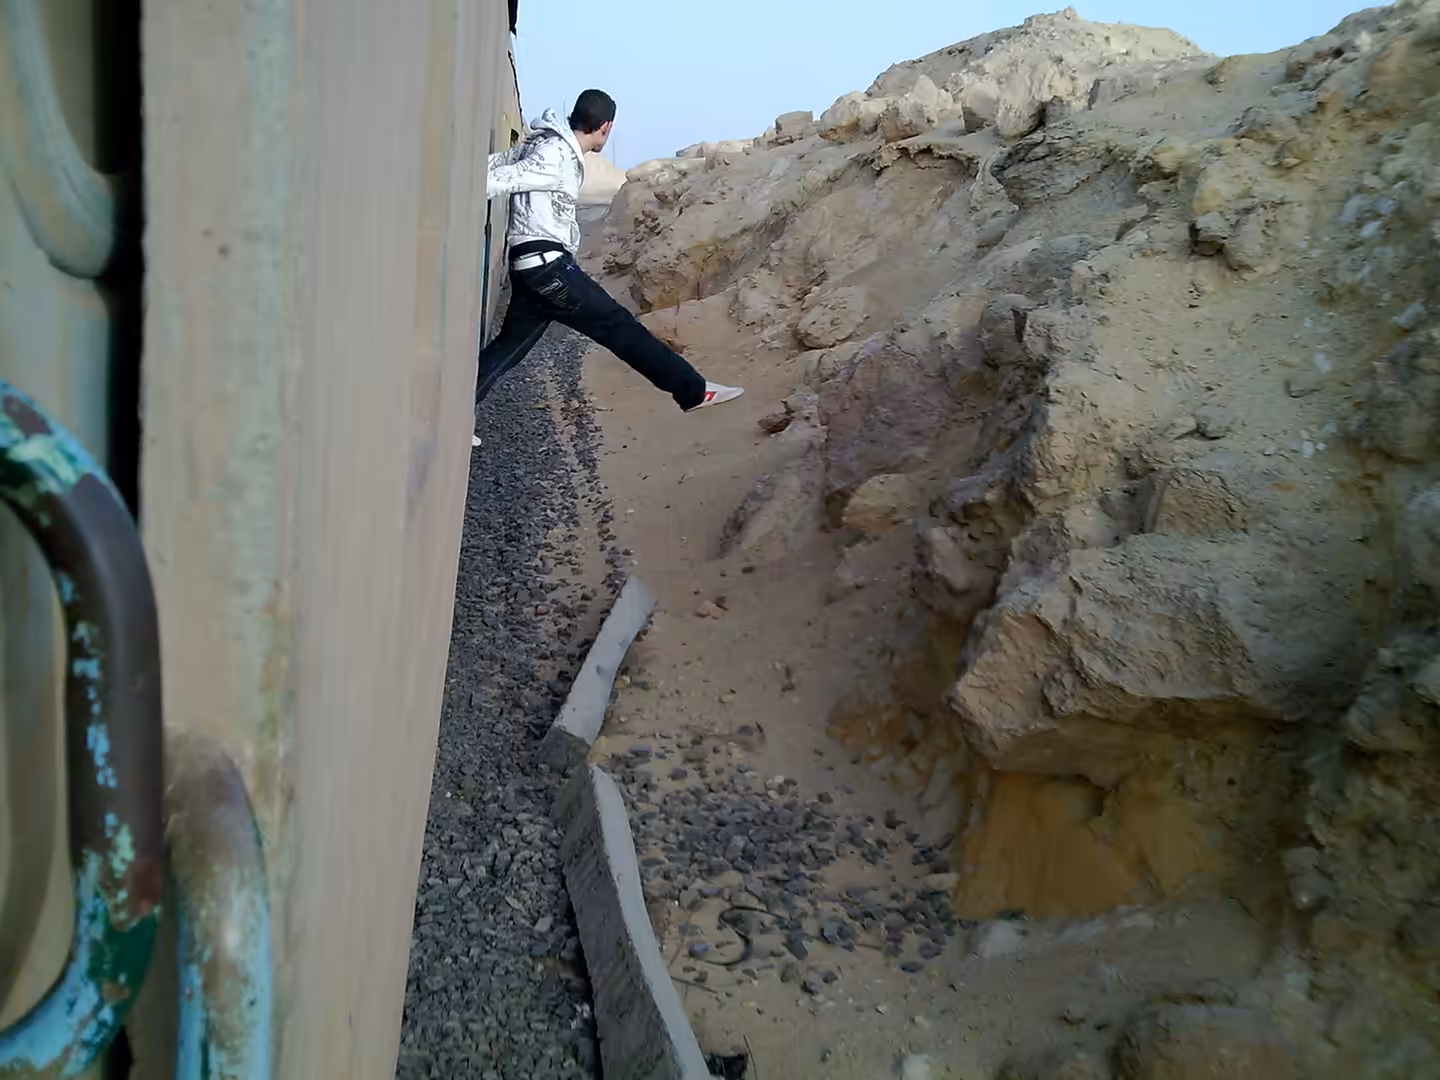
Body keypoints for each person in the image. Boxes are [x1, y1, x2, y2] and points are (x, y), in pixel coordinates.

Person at [473, 89, 742, 447]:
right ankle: (692, 391)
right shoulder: (554, 154)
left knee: (506, 351)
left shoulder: (546, 146)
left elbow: (493, 165)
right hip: (548, 271)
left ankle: (454, 419)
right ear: (606, 127)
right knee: (619, 326)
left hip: (532, 272)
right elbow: (494, 179)